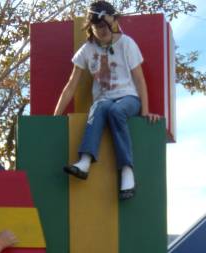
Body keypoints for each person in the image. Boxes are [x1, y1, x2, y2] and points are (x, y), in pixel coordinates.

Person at [53, 0, 160, 200]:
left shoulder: (126, 44)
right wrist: (55, 116)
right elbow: (71, 85)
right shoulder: (87, 49)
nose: (101, 31)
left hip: (128, 97)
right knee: (100, 107)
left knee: (116, 111)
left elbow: (139, 80)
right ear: (90, 27)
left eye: (105, 26)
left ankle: (127, 171)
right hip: (104, 100)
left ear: (113, 22)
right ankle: (84, 162)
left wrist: (145, 111)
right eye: (97, 27)